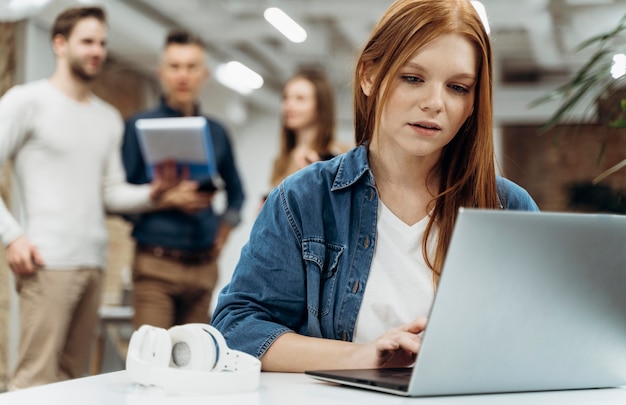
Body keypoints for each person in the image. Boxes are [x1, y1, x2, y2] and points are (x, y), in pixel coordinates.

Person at [211, 0, 539, 372]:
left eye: (458, 87)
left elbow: (545, 333)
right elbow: (237, 327)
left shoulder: (507, 206)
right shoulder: (303, 199)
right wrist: (362, 356)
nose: (435, 103)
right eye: (413, 78)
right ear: (369, 75)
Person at [0, 6, 197, 390]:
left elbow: (111, 194)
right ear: (60, 44)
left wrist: (154, 194)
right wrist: (12, 236)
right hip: (46, 263)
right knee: (34, 380)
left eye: (103, 43)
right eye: (87, 41)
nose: (97, 51)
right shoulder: (26, 101)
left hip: (93, 264)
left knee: (74, 382)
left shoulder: (107, 118)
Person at [121, 29, 245, 330]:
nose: (183, 75)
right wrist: (165, 198)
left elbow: (237, 193)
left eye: (191, 67)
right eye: (175, 66)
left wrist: (223, 231)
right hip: (155, 266)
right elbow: (120, 200)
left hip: (203, 269)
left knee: (193, 363)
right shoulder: (139, 126)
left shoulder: (216, 132)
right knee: (154, 362)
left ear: (203, 74)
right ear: (161, 72)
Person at [270, 68, 350, 189]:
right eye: (286, 98)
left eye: (300, 98)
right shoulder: (280, 161)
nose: (288, 105)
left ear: (320, 107)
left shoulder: (339, 154)